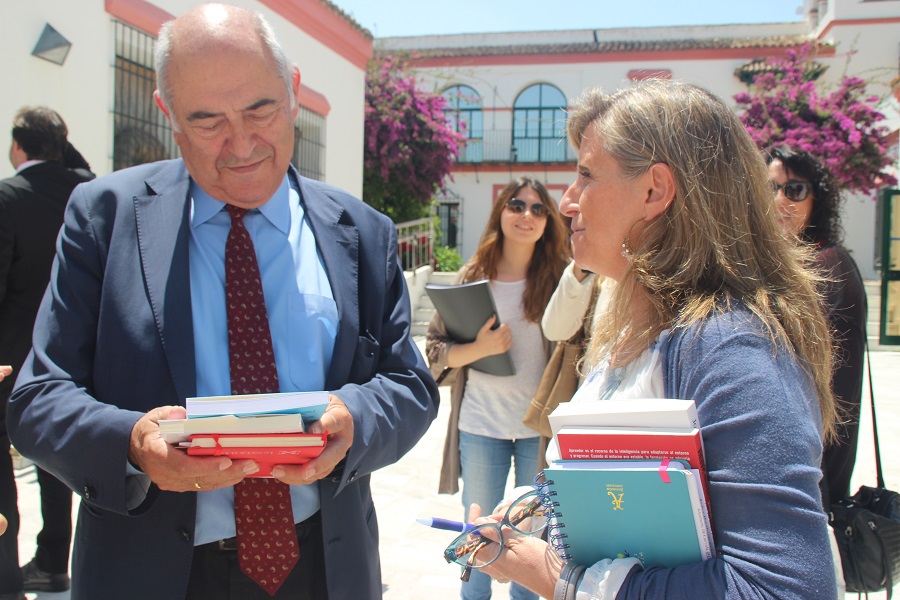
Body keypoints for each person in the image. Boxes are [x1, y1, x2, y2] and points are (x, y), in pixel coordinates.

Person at [6, 5, 439, 599]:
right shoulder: (103, 218)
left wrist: (354, 420)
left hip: (323, 570)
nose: (240, 144)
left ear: (292, 91)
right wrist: (133, 442)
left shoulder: (361, 231)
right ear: (169, 116)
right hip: (150, 575)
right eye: (207, 121)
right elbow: (38, 398)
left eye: (259, 110)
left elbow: (408, 385)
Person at [466, 80, 838, 600]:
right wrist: (546, 510)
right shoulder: (636, 323)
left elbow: (783, 588)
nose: (567, 202)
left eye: (586, 175)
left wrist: (555, 577)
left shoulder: (731, 346)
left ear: (655, 190)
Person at [426, 175, 570, 600]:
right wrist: (480, 347)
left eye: (538, 209)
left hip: (537, 433)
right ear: (501, 212)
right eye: (517, 205)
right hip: (480, 424)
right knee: (480, 540)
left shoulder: (560, 280)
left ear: (548, 222)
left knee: (531, 548)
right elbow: (435, 351)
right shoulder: (474, 275)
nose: (526, 215)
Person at [0, 106, 96, 600]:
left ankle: (7, 578)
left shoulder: (8, 196)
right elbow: (81, 167)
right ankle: (55, 561)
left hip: (10, 361)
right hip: (70, 357)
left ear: (18, 146)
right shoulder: (83, 191)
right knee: (54, 461)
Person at [766, 146, 867, 511]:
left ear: (817, 198)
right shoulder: (795, 263)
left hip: (816, 473)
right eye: (769, 188)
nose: (780, 200)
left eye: (793, 190)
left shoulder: (826, 266)